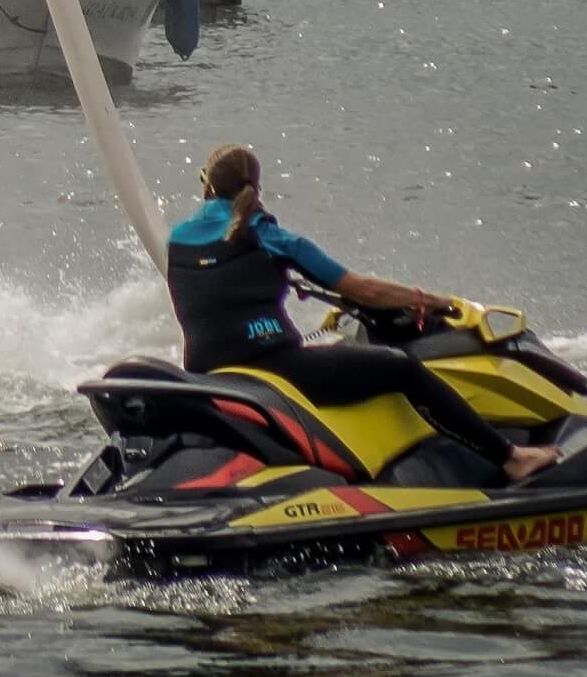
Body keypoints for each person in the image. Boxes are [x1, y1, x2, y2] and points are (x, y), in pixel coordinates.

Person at [166, 142, 558, 486]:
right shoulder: (269, 236)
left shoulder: (177, 238)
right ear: (255, 188)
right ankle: (512, 458)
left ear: (207, 184)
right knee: (401, 368)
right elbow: (363, 290)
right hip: (274, 367)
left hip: (207, 372)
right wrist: (431, 301)